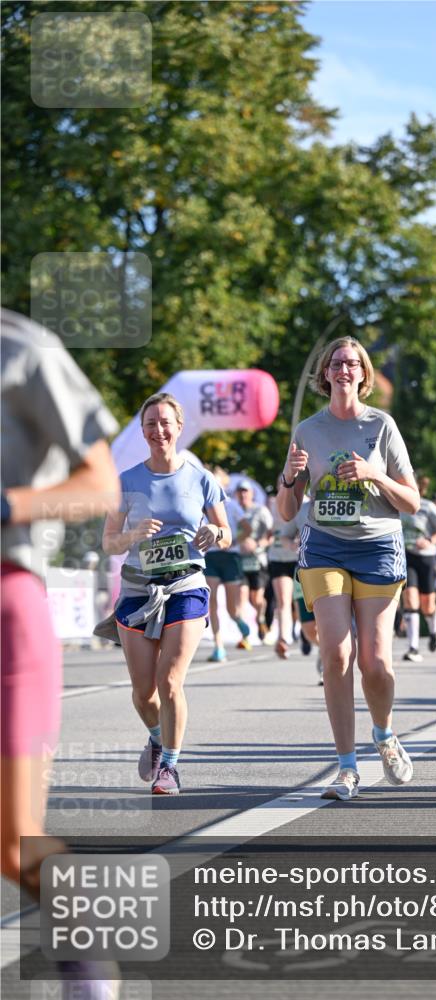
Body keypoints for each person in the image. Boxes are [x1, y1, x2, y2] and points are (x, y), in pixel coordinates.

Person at [1, 308, 120, 996]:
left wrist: (6, 505)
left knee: (12, 839)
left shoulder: (23, 350)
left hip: (7, 603)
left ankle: (88, 953)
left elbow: (100, 484)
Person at [277, 336, 420, 801]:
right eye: (336, 363)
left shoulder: (382, 426)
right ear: (325, 373)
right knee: (336, 655)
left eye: (352, 363)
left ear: (363, 374)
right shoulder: (308, 430)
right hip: (324, 547)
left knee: (374, 663)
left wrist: (374, 474)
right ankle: (346, 767)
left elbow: (413, 502)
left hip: (377, 547)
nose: (344, 369)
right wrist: (290, 477)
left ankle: (384, 734)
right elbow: (286, 510)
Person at [102, 392, 231, 795]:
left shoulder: (201, 478)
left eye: (165, 422)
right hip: (139, 590)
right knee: (144, 693)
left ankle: (171, 768)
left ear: (179, 427)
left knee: (170, 680)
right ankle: (157, 737)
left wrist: (216, 532)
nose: (158, 430)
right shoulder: (125, 482)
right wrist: (133, 535)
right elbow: (108, 541)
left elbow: (227, 533)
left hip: (186, 584)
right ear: (143, 431)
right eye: (150, 424)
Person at [400, 475, 436, 661]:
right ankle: (413, 647)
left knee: (427, 604)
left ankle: (434, 630)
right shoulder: (395, 505)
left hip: (426, 558)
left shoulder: (427, 506)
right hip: (406, 556)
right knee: (410, 599)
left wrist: (429, 540)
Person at [203, 476, 247, 661]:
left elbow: (248, 528)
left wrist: (235, 541)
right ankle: (218, 645)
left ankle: (238, 620)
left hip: (230, 556)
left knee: (231, 608)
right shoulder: (202, 504)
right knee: (211, 601)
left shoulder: (232, 505)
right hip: (211, 556)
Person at [233, 479, 273, 643]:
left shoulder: (260, 510)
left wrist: (257, 545)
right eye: (240, 491)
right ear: (236, 494)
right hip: (239, 560)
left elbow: (270, 535)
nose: (243, 494)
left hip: (257, 560)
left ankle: (261, 618)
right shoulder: (234, 510)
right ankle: (245, 636)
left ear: (252, 493)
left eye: (245, 491)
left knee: (256, 599)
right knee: (241, 596)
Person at [266, 480, 301, 658]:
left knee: (301, 602)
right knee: (283, 600)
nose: (284, 486)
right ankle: (283, 638)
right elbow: (267, 530)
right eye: (281, 483)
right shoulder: (271, 504)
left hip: (299, 558)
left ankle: (304, 632)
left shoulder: (304, 501)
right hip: (278, 557)